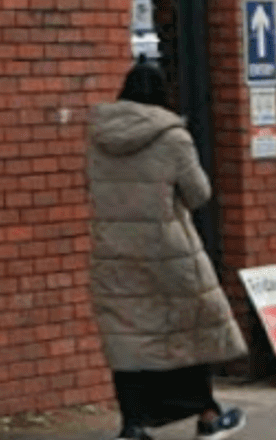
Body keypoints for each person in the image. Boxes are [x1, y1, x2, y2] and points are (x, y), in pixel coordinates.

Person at [86, 60, 247, 440]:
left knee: (128, 336)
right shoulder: (173, 137)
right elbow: (199, 193)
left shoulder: (98, 137)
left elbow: (91, 189)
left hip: (114, 250)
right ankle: (207, 415)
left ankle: (134, 424)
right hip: (168, 252)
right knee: (186, 332)